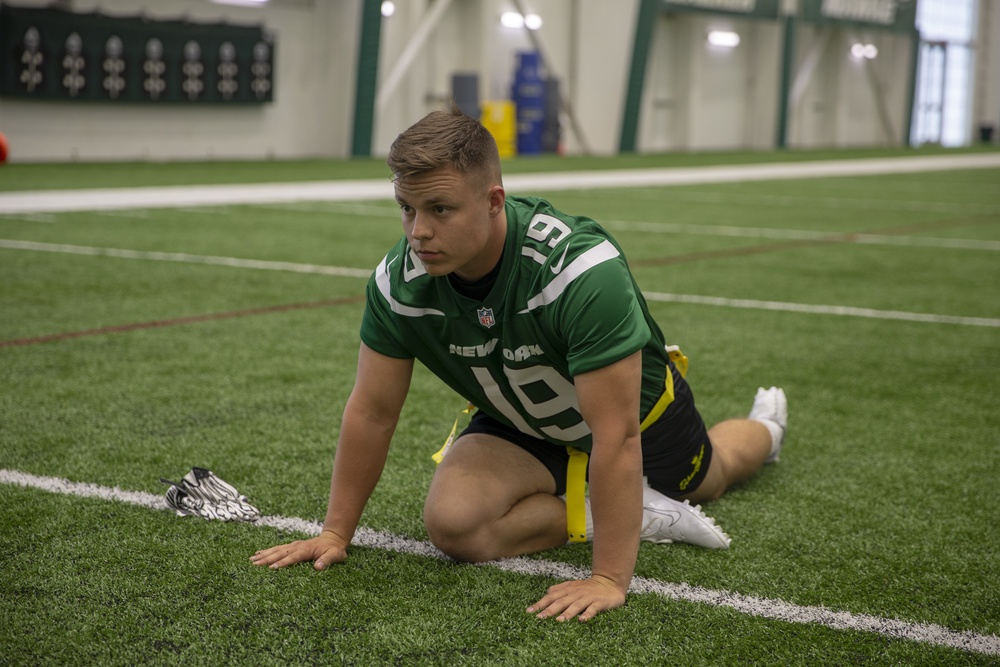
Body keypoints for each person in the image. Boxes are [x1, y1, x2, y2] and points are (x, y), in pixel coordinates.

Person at [251, 105, 788, 623]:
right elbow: (371, 410)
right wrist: (335, 533)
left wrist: (607, 578)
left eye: (440, 209)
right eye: (407, 208)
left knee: (715, 474)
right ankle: (627, 512)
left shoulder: (578, 268)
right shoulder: (400, 282)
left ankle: (766, 429)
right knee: (454, 526)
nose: (418, 231)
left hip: (638, 422)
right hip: (523, 422)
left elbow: (618, 436)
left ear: (493, 200)